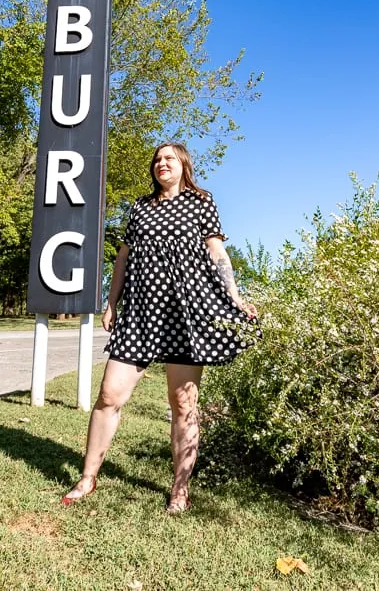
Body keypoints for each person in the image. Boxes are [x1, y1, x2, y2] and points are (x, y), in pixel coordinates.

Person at [60, 141, 259, 514]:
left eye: (168, 158)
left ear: (183, 164)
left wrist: (234, 295)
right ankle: (88, 478)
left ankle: (180, 489)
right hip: (139, 313)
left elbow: (217, 252)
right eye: (156, 159)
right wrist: (112, 302)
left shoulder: (201, 202)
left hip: (185, 313)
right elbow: (124, 257)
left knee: (183, 402)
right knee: (109, 395)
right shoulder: (138, 208)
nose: (161, 163)